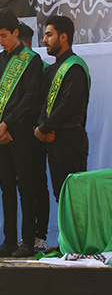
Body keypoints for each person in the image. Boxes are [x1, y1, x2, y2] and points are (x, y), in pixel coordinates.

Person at [0, 8, 43, 258]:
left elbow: (30, 98)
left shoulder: (32, 60)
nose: (0, 40)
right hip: (0, 134)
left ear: (16, 32)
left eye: (4, 35)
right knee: (6, 189)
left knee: (26, 188)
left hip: (21, 133)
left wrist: (6, 124)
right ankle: (8, 241)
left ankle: (27, 241)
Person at [35, 15, 89, 203]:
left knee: (75, 196)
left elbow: (68, 104)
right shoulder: (51, 70)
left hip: (70, 139)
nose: (44, 40)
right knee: (61, 195)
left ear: (63, 37)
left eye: (49, 35)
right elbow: (43, 103)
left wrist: (44, 128)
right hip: (53, 139)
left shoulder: (75, 67)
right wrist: (42, 127)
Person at [18, 22, 50, 252]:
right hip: (16, 136)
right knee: (23, 187)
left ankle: (40, 235)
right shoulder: (7, 68)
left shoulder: (44, 68)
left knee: (39, 184)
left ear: (29, 44)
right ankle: (25, 236)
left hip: (37, 134)